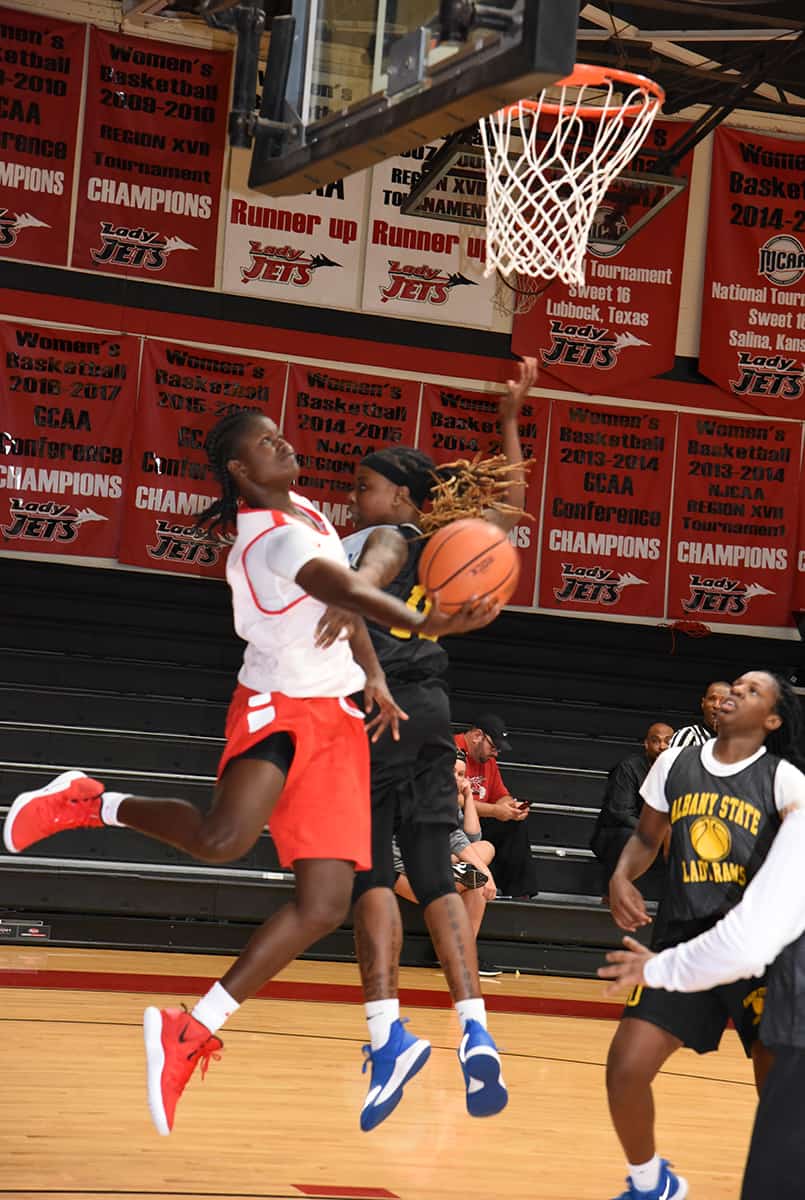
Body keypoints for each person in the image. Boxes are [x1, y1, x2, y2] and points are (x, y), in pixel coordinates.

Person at [2, 410, 498, 1137]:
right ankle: (90, 801)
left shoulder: (304, 511)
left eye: (281, 435)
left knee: (325, 903)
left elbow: (353, 597)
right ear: (238, 470)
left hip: (333, 719)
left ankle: (193, 1030)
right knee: (223, 838)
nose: (284, 445)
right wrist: (432, 626)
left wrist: (372, 677)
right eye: (265, 443)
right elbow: (351, 592)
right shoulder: (272, 538)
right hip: (276, 707)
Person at [317, 356, 537, 1131]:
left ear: (401, 498)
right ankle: (475, 1027)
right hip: (432, 714)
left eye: (364, 486)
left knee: (371, 874)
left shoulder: (373, 543)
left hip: (371, 710)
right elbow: (510, 511)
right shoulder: (453, 546)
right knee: (439, 879)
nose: (355, 496)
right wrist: (511, 420)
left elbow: (336, 612)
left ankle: (387, 1034)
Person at [601, 670, 804, 1200]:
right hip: (682, 940)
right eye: (733, 686)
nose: (734, 692)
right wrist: (623, 876)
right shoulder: (675, 762)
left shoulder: (785, 781)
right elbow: (647, 836)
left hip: (760, 950)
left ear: (774, 719)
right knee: (625, 1067)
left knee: (778, 1098)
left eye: (752, 691)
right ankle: (651, 1183)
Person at [393, 749, 499, 975]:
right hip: (399, 872)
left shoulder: (442, 797)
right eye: (451, 771)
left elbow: (470, 838)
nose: (456, 778)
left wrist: (469, 797)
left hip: (427, 865)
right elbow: (454, 839)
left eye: (461, 774)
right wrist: (485, 870)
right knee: (478, 873)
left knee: (481, 863)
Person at [455, 715, 539, 899]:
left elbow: (501, 795)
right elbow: (451, 799)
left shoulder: (487, 760)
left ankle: (521, 894)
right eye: (494, 747)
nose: (496, 753)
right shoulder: (452, 750)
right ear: (477, 735)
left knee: (514, 824)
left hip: (477, 822)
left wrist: (509, 808)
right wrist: (495, 811)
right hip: (453, 822)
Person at [590, 723, 674, 888]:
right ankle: (612, 893)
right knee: (627, 835)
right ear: (646, 744)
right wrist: (660, 833)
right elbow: (622, 813)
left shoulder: (678, 771)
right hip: (617, 835)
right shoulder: (629, 767)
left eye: (668, 741)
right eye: (656, 741)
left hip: (662, 838)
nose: (662, 746)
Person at [668, 680, 730, 748]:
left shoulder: (740, 740)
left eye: (724, 701)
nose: (717, 705)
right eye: (712, 699)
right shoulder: (688, 735)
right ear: (703, 703)